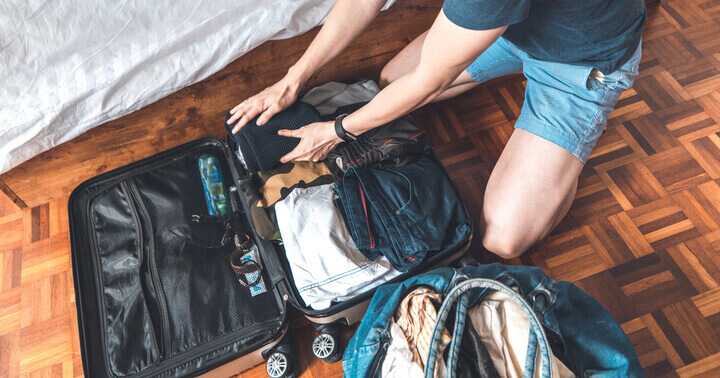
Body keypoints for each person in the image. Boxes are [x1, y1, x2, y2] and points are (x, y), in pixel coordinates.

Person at [226, 0, 647, 259]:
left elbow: (430, 80)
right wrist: (292, 79)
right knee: (390, 81)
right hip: (514, 28)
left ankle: (568, 156)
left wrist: (335, 131)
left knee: (503, 239)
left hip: (581, 63)